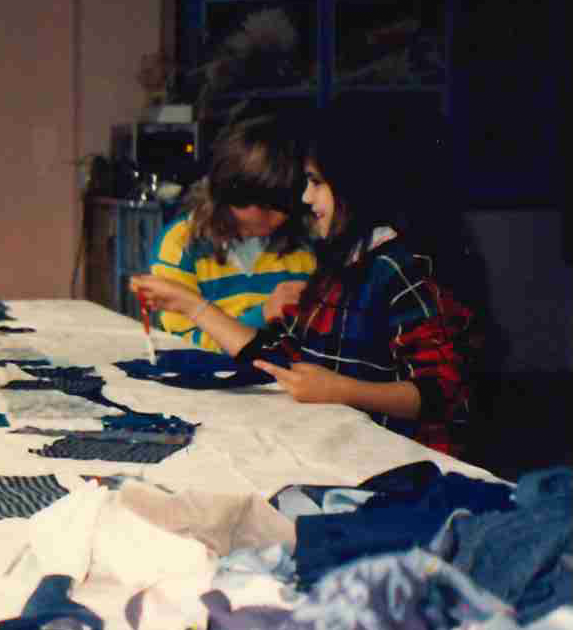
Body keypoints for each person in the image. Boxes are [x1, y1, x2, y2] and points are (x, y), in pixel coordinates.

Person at [131, 105, 475, 456]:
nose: (304, 198)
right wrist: (191, 305)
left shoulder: (402, 269)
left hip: (401, 461)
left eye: (316, 183)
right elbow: (277, 356)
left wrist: (341, 390)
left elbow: (445, 394)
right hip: (346, 448)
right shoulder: (336, 269)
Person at [146, 114, 316, 350]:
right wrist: (263, 315)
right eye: (269, 206)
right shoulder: (179, 245)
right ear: (232, 194)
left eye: (287, 205)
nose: (281, 217)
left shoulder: (305, 248)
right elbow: (184, 346)